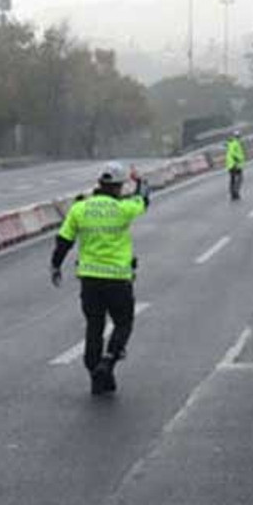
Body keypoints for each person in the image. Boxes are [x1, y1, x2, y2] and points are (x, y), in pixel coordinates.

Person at [50, 161, 149, 395]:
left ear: (99, 183)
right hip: (118, 280)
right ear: (118, 186)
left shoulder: (80, 209)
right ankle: (108, 360)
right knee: (123, 323)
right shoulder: (124, 208)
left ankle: (97, 375)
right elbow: (144, 198)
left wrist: (55, 265)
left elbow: (64, 240)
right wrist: (140, 180)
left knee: (94, 326)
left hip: (90, 281)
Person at [225, 130, 246, 201]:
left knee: (233, 179)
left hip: (231, 164)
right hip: (235, 164)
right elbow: (232, 153)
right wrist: (238, 159)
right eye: (238, 136)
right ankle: (235, 193)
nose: (239, 137)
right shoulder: (235, 143)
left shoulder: (232, 142)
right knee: (239, 178)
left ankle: (233, 194)